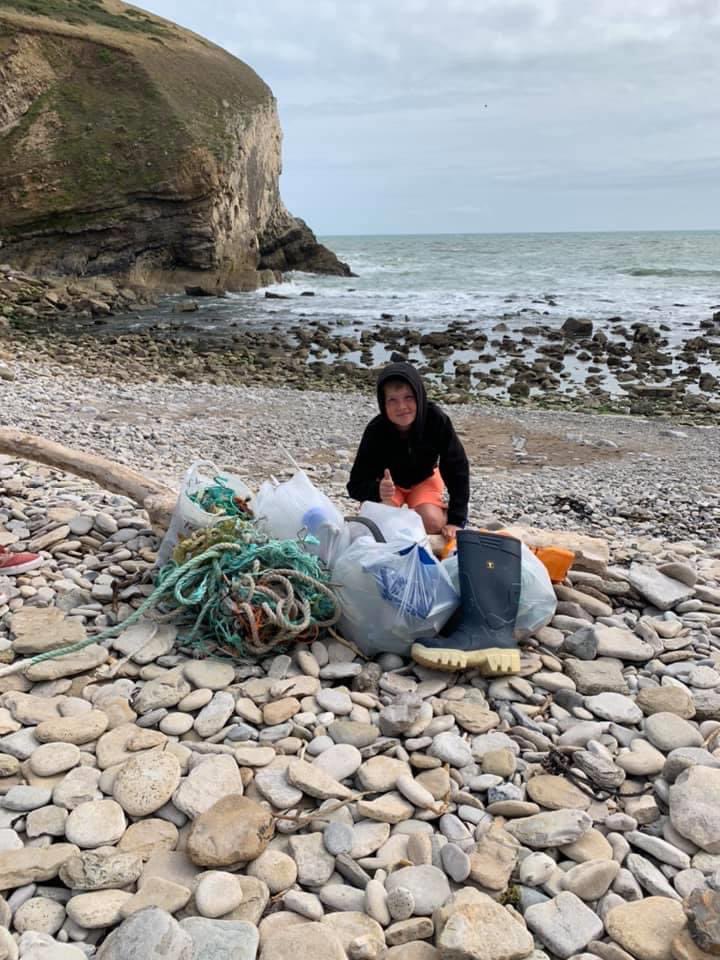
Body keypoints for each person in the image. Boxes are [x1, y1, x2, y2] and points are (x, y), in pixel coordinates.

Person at [347, 361, 469, 539]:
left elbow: (457, 467)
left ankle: (440, 512)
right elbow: (355, 485)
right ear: (383, 404)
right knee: (379, 525)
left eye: (408, 397)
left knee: (431, 521)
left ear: (419, 396)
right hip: (390, 485)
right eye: (392, 400)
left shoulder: (436, 420)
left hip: (425, 478)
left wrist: (456, 520)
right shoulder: (376, 430)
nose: (401, 407)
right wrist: (376, 490)